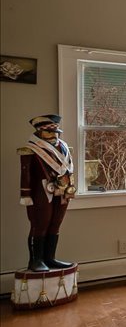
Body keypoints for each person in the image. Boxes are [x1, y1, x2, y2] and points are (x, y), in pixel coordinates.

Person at [19, 114, 76, 272]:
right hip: (42, 190)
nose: (53, 135)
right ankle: (36, 260)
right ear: (39, 131)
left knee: (56, 223)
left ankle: (50, 258)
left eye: (55, 132)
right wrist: (25, 194)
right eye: (49, 132)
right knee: (40, 224)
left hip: (62, 189)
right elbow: (26, 174)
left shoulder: (63, 146)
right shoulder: (31, 149)